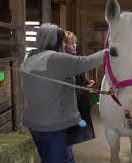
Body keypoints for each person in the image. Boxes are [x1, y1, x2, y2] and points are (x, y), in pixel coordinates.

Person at [20, 23, 106, 163]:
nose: (64, 44)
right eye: (62, 40)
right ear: (55, 41)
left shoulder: (29, 58)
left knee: (55, 157)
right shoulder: (54, 58)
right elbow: (85, 62)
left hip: (34, 122)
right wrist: (108, 51)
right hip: (53, 125)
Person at [63, 31, 97, 161]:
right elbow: (67, 89)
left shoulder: (75, 58)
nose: (74, 46)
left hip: (77, 104)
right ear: (64, 45)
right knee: (68, 139)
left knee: (72, 136)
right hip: (68, 107)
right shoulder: (64, 62)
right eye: (71, 44)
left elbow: (80, 76)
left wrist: (86, 80)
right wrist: (84, 89)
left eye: (75, 43)